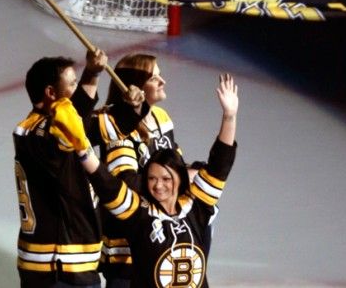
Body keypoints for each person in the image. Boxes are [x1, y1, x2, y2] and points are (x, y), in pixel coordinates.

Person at [79, 73, 239, 287]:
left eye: (166, 178)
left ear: (179, 179)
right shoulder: (138, 214)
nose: (158, 185)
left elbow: (221, 163)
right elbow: (106, 184)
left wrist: (229, 115)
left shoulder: (197, 207)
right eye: (152, 178)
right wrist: (81, 147)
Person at [12, 50, 108, 287]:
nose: (77, 90)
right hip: (59, 265)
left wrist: (93, 74)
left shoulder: (53, 127)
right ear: (51, 93)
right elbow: (68, 122)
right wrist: (90, 76)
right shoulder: (38, 131)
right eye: (72, 84)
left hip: (71, 262)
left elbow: (78, 117)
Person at [88, 54, 183, 287]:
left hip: (159, 241)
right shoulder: (116, 123)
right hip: (127, 249)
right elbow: (126, 182)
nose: (163, 81)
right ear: (135, 86)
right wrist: (170, 185)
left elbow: (177, 165)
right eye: (154, 77)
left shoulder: (162, 118)